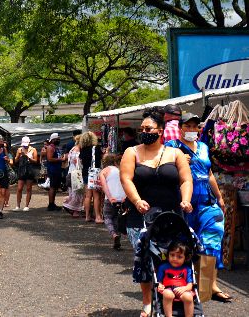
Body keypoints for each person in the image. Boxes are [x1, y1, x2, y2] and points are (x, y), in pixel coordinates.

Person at [120, 107, 193, 317]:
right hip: (140, 215)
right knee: (144, 259)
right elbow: (126, 179)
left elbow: (186, 180)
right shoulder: (131, 152)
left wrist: (186, 200)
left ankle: (170, 302)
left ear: (160, 130)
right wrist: (136, 200)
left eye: (148, 128)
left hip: (172, 216)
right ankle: (147, 302)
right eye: (141, 128)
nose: (144, 131)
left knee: (172, 258)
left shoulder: (175, 152)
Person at [166, 112, 231, 303]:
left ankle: (210, 286)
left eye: (195, 127)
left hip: (207, 201)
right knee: (186, 244)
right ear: (180, 129)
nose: (192, 130)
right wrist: (177, 163)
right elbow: (165, 171)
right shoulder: (172, 147)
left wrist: (219, 197)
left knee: (212, 240)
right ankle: (186, 285)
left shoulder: (203, 146)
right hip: (184, 202)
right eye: (188, 126)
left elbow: (209, 173)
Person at [156, 241, 195, 317]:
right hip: (168, 289)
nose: (174, 258)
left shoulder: (187, 269)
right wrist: (160, 285)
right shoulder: (163, 267)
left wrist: (185, 288)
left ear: (185, 258)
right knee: (167, 294)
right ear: (168, 255)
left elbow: (190, 285)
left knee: (188, 297)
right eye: (172, 255)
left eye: (179, 257)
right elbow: (159, 281)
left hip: (182, 290)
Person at [99, 153, 124, 249]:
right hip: (121, 198)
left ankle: (114, 234)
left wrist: (109, 197)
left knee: (108, 217)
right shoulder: (119, 170)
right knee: (117, 218)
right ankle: (117, 241)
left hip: (110, 198)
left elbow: (104, 186)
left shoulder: (104, 171)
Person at [79, 131, 104, 223]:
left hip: (85, 172)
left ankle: (87, 216)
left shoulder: (82, 149)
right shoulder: (96, 148)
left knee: (88, 196)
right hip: (94, 173)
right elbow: (102, 158)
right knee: (96, 195)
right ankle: (98, 217)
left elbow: (81, 161)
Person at [62, 134, 84, 218]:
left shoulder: (72, 149)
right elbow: (77, 162)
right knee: (78, 193)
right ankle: (71, 207)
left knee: (72, 192)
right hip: (76, 173)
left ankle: (71, 207)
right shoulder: (77, 150)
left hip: (70, 172)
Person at [13, 136, 37, 212]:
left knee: (29, 188)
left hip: (29, 169)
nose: (25, 146)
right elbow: (15, 161)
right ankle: (17, 205)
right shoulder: (19, 149)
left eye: (26, 144)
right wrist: (19, 155)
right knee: (19, 188)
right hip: (21, 169)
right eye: (24, 144)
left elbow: (36, 161)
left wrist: (28, 157)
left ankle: (26, 205)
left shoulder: (33, 150)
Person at [45, 133, 65, 211]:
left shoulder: (55, 148)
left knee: (55, 187)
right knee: (52, 187)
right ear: (53, 139)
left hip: (57, 169)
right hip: (53, 170)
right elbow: (50, 159)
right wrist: (60, 159)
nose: (58, 141)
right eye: (57, 139)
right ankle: (50, 204)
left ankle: (53, 203)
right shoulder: (50, 148)